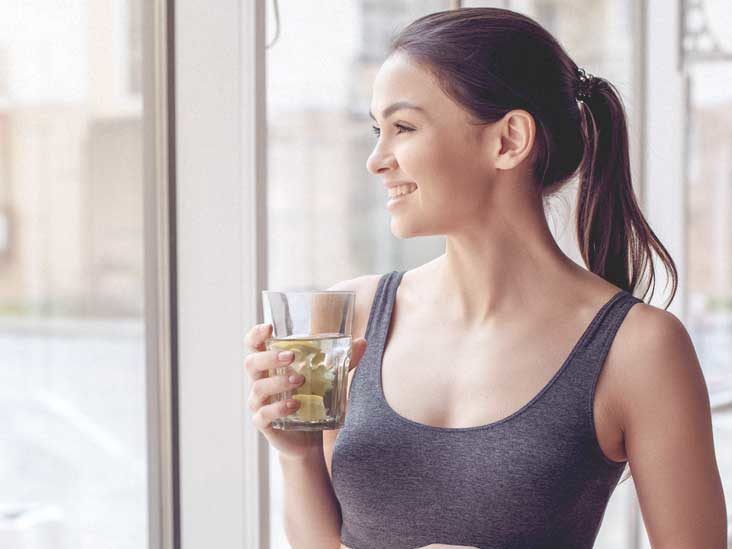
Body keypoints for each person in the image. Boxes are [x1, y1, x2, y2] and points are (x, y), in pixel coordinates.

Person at [244, 7, 727, 549]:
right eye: (378, 130)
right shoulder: (351, 315)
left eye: (403, 128)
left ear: (508, 140)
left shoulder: (638, 348)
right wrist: (298, 454)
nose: (376, 160)